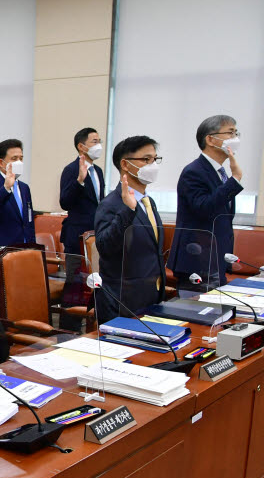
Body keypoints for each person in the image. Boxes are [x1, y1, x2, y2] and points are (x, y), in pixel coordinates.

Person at [94, 136, 166, 323]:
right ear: (125, 164)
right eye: (145, 159)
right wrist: (129, 210)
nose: (152, 165)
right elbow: (105, 247)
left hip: (151, 296)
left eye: (154, 159)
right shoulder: (111, 203)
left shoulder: (149, 202)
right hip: (122, 301)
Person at [169, 115, 244, 288]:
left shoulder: (219, 171)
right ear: (210, 139)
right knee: (196, 313)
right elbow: (204, 208)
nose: (236, 139)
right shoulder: (194, 171)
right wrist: (236, 180)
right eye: (230, 133)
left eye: (236, 133)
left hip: (215, 260)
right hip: (197, 262)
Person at [0, 139, 34, 261]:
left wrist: (33, 249)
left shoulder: (24, 188)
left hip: (25, 252)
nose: (19, 162)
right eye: (14, 159)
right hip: (2, 253)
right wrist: (6, 188)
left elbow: (29, 221)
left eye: (21, 158)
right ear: (1, 162)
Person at [59, 127, 105, 255]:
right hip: (77, 236)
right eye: (94, 142)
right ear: (81, 146)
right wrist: (79, 181)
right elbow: (65, 203)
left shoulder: (98, 171)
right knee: (77, 275)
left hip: (97, 234)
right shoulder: (71, 169)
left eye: (99, 141)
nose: (99, 146)